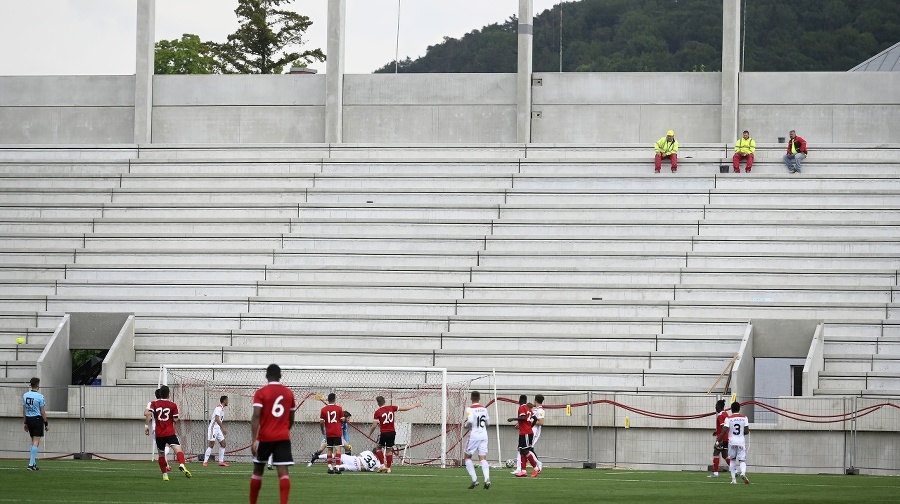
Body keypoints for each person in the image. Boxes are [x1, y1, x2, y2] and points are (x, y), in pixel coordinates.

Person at [250, 364, 297, 504]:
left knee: (258, 469)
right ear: (280, 376)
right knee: (283, 472)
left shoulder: (261, 392)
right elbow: (292, 416)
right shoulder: (288, 393)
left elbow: (256, 416)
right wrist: (285, 430)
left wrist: (254, 440)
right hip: (282, 437)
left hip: (264, 436)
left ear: (266, 376)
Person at [144, 385, 192, 481]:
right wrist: (175, 419)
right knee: (178, 450)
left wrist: (146, 426)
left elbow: (147, 413)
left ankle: (165, 475)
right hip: (170, 432)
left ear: (160, 393)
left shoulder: (154, 404)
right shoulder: (173, 405)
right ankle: (182, 464)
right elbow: (175, 419)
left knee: (161, 454)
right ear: (168, 394)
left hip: (159, 433)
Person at [368, 395, 422, 473]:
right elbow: (404, 408)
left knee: (378, 448)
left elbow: (374, 425)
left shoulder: (377, 412)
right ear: (384, 401)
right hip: (392, 433)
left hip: (384, 433)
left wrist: (370, 433)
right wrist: (414, 405)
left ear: (378, 403)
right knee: (389, 450)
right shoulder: (391, 408)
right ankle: (389, 468)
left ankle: (382, 465)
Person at [507, 394, 541, 478]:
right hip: (525, 432)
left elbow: (523, 418)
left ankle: (536, 468)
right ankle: (523, 471)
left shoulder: (522, 407)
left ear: (520, 400)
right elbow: (535, 419)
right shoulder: (528, 408)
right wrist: (530, 426)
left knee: (525, 451)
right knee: (521, 450)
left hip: (526, 433)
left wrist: (513, 419)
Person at [463, 391, 491, 490]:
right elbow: (487, 423)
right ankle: (487, 479)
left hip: (474, 435)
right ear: (479, 398)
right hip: (484, 435)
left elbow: (470, 421)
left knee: (467, 457)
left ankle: (474, 479)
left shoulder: (469, 409)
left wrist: (466, 426)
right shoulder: (484, 409)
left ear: (471, 398)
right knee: (482, 458)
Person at [719, 401, 750, 485]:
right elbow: (747, 431)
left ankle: (733, 480)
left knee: (732, 460)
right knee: (742, 460)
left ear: (731, 409)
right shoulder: (744, 418)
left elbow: (724, 431)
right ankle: (743, 473)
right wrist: (741, 434)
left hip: (732, 442)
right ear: (739, 409)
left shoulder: (728, 418)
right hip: (741, 442)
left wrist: (718, 441)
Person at [23, 377, 48, 471]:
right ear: (38, 385)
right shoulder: (40, 396)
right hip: (37, 419)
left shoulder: (25, 395)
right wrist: (46, 423)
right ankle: (30, 464)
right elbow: (42, 411)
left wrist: (25, 422)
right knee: (36, 440)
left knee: (33, 440)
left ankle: (33, 463)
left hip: (29, 419)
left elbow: (24, 410)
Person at [147, 388, 171, 472]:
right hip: (164, 428)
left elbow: (146, 413)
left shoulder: (152, 403)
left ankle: (167, 466)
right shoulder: (165, 403)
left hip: (155, 428)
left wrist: (146, 426)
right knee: (167, 446)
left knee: (162, 448)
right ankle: (165, 464)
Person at [320, 393, 345, 474]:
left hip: (329, 432)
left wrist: (323, 430)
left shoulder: (323, 409)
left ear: (328, 399)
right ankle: (337, 467)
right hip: (337, 431)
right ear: (335, 399)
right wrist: (344, 419)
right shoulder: (339, 408)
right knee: (338, 449)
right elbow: (342, 419)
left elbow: (321, 422)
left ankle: (330, 467)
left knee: (329, 449)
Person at [203, 395, 229, 467]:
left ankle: (221, 461)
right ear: (224, 401)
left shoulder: (222, 409)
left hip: (218, 429)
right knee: (211, 444)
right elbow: (217, 419)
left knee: (223, 444)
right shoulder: (218, 408)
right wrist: (223, 427)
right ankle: (205, 461)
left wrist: (220, 428)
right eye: (227, 400)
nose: (228, 402)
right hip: (213, 428)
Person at [708, 399, 731, 478]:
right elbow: (726, 427)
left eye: (716, 406)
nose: (715, 407)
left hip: (721, 438)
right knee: (725, 455)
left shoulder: (720, 415)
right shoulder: (726, 414)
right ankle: (735, 471)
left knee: (716, 453)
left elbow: (723, 428)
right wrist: (717, 432)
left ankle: (715, 473)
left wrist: (718, 440)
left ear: (719, 406)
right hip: (726, 438)